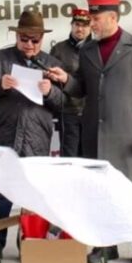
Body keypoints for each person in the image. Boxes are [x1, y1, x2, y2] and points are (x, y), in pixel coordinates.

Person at [47, 0, 132, 263]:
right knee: (99, 194)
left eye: (96, 19)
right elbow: (83, 89)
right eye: (90, 19)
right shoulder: (88, 50)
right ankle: (105, 246)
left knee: (131, 194)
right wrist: (65, 79)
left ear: (113, 18)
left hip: (126, 134)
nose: (92, 24)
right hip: (94, 133)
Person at [0, 10, 64, 263]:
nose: (29, 44)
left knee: (33, 196)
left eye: (34, 40)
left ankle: (29, 241)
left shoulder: (51, 63)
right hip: (4, 135)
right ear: (16, 36)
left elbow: (65, 103)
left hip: (36, 139)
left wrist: (50, 93)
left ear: (42, 39)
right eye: (24, 38)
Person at [49, 8, 92, 157]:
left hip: (91, 111)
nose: (80, 29)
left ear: (91, 26)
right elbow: (52, 82)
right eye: (77, 24)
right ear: (71, 25)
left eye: (84, 25)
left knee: (90, 157)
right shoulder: (58, 49)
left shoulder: (97, 47)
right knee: (69, 157)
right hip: (68, 111)